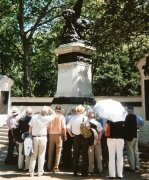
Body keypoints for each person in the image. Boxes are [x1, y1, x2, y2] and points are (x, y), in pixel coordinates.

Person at [28, 106, 55, 177]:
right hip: (43, 138)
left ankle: (31, 172)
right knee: (41, 155)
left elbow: (30, 127)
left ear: (40, 111)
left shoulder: (34, 117)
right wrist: (49, 109)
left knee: (33, 156)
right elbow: (54, 114)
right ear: (46, 113)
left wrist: (30, 135)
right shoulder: (47, 118)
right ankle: (40, 172)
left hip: (34, 138)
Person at [67, 104, 90, 177]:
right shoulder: (85, 118)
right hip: (84, 137)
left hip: (76, 137)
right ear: (83, 111)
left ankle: (75, 172)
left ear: (77, 111)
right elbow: (88, 127)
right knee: (84, 155)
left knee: (76, 155)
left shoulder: (73, 118)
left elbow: (67, 127)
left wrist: (71, 134)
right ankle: (84, 172)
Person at [47, 105, 67, 172]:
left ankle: (49, 166)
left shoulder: (51, 116)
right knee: (58, 152)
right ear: (60, 110)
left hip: (51, 134)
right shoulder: (62, 117)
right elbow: (63, 127)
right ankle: (55, 167)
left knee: (50, 151)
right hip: (59, 135)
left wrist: (48, 134)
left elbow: (48, 127)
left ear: (55, 110)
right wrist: (65, 135)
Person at [124, 106, 142, 171]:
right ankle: (137, 166)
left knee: (130, 152)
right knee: (136, 151)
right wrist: (138, 128)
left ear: (128, 111)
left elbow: (125, 127)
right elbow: (141, 123)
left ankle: (132, 167)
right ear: (133, 110)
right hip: (136, 135)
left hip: (129, 136)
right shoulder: (137, 117)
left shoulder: (127, 117)